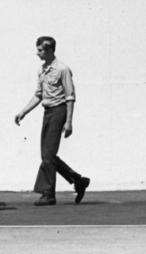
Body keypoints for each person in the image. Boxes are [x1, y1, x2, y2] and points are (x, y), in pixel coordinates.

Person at [14, 36, 90, 206]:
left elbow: (70, 97)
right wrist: (23, 112)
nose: (37, 53)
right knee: (47, 155)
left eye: (40, 50)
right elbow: (38, 95)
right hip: (47, 113)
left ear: (49, 50)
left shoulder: (63, 69)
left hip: (59, 112)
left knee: (48, 156)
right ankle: (78, 181)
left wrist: (69, 122)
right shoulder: (42, 70)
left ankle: (48, 195)